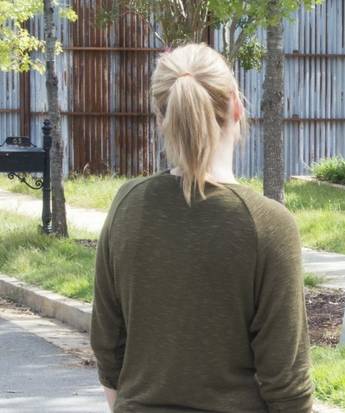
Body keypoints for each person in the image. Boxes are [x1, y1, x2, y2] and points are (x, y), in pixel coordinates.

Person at [90, 43, 313, 412]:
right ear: (236, 106)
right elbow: (287, 380)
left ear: (161, 117)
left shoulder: (127, 204)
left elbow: (107, 345)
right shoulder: (268, 224)